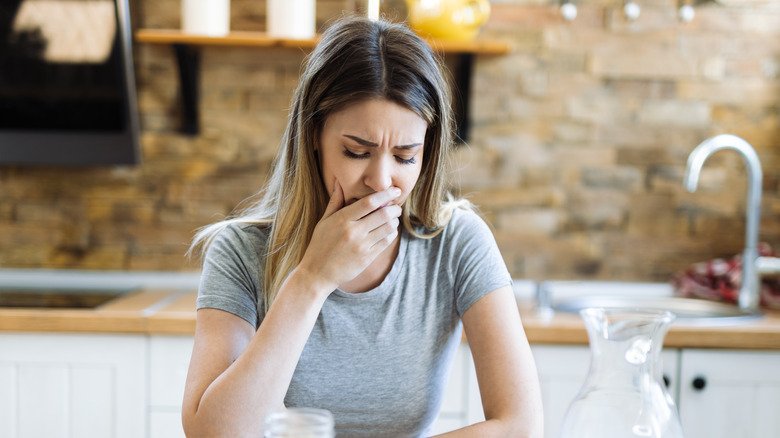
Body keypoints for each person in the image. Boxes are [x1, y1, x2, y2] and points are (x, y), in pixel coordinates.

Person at [181, 14, 543, 438]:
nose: (381, 181)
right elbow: (214, 433)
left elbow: (521, 426)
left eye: (406, 157)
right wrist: (313, 278)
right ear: (314, 134)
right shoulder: (240, 251)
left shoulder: (457, 244)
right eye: (356, 151)